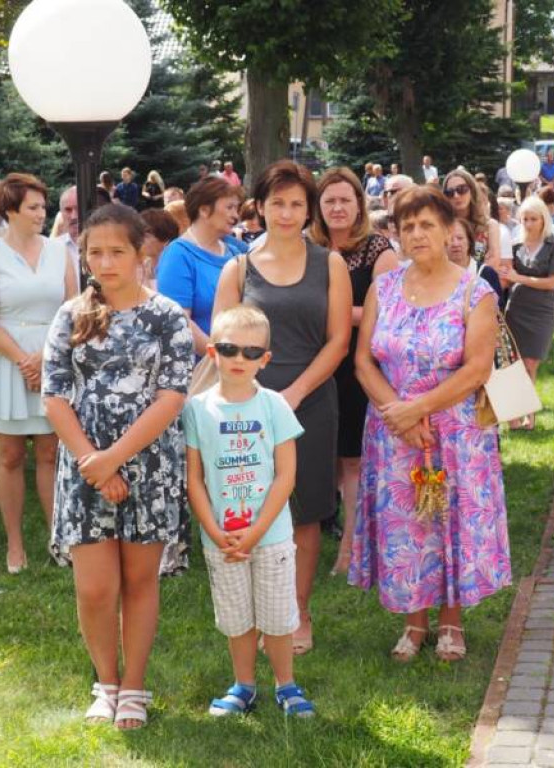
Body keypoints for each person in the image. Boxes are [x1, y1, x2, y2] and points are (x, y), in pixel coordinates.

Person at [42, 203, 193, 729]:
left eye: (116, 252)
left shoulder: (168, 317)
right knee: (95, 587)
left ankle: (135, 686)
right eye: (95, 253)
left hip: (149, 466)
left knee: (138, 581)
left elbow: (173, 395)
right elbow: (54, 394)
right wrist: (94, 462)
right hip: (85, 468)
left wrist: (115, 459)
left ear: (139, 254)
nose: (105, 263)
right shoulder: (71, 315)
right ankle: (105, 681)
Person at [350, 184, 509, 661]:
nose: (417, 234)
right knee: (409, 524)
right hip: (393, 430)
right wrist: (398, 414)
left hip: (456, 433)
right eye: (407, 227)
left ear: (449, 230)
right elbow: (363, 361)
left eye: (426, 225)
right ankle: (414, 622)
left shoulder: (474, 291)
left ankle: (452, 622)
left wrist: (417, 409)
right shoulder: (384, 287)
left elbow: (477, 369)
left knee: (450, 519)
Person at [212, 160, 351, 656]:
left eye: (296, 204)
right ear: (260, 207)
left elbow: (338, 341)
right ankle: (249, 610)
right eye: (277, 203)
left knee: (306, 510)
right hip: (246, 406)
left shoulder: (329, 263)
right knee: (247, 506)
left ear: (308, 209)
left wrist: (293, 394)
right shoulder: (238, 267)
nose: (287, 213)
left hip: (309, 401)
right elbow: (221, 338)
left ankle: (297, 611)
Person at [184, 305, 316, 719]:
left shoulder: (275, 406)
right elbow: (195, 479)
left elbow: (286, 476)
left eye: (250, 351)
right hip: (221, 538)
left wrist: (257, 531)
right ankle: (243, 685)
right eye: (229, 348)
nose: (239, 358)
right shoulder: (196, 409)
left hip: (271, 535)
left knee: (278, 618)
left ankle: (286, 685)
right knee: (237, 617)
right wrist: (214, 530)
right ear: (211, 352)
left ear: (265, 358)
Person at [0, 173, 77, 573]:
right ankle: (15, 546)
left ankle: (58, 539)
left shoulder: (59, 253)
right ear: (10, 210)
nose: (42, 213)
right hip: (6, 359)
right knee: (11, 454)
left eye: (43, 207)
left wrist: (46, 359)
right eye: (33, 207)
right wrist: (23, 360)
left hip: (53, 357)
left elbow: (72, 309)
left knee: (50, 451)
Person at [310, 168, 397, 575]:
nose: (338, 208)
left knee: (352, 460)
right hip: (312, 363)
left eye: (346, 200)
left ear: (360, 204)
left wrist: (332, 314)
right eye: (330, 201)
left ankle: (351, 547)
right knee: (312, 454)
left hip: (358, 365)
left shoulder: (379, 250)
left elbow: (387, 315)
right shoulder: (306, 247)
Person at [156, 177, 243, 356]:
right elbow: (179, 321)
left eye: (237, 208)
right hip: (200, 372)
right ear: (204, 209)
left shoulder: (236, 252)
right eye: (229, 207)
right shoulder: (178, 255)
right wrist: (220, 357)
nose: (236, 216)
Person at [505, 196, 554, 429]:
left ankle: (529, 416)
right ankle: (513, 418)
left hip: (542, 310)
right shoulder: (515, 244)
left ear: (543, 219)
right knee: (514, 364)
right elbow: (506, 275)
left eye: (533, 219)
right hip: (517, 307)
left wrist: (518, 278)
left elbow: (552, 282)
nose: (528, 224)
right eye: (524, 219)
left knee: (531, 364)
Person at [442, 169, 503, 269]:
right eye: (450, 192)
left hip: (479, 280)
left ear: (472, 191)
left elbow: (494, 262)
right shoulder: (442, 226)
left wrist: (467, 280)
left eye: (461, 189)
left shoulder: (489, 226)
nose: (456, 196)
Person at [140, 209, 181, 290]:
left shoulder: (175, 268)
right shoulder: (143, 266)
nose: (139, 239)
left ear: (165, 240)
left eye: (146, 236)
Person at [52, 185, 81, 280]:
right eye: (68, 210)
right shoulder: (52, 249)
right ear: (61, 213)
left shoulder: (109, 246)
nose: (74, 216)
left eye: (78, 209)